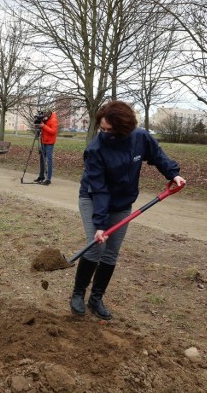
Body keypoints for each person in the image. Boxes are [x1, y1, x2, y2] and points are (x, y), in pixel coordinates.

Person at [71, 100, 186, 320]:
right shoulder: (95, 149)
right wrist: (101, 225)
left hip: (123, 202)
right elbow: (100, 189)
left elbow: (158, 155)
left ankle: (96, 299)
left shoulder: (139, 137)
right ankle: (78, 294)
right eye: (101, 129)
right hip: (93, 198)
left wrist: (173, 174)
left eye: (109, 130)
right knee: (95, 248)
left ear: (124, 128)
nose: (104, 134)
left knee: (111, 252)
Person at [34, 109, 58, 185]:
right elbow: (43, 128)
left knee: (49, 160)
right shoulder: (45, 119)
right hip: (43, 141)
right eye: (43, 115)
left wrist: (44, 126)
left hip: (49, 143)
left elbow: (53, 132)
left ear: (49, 114)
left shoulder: (53, 120)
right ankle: (41, 176)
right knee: (42, 159)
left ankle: (48, 178)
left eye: (45, 115)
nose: (44, 116)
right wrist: (38, 125)